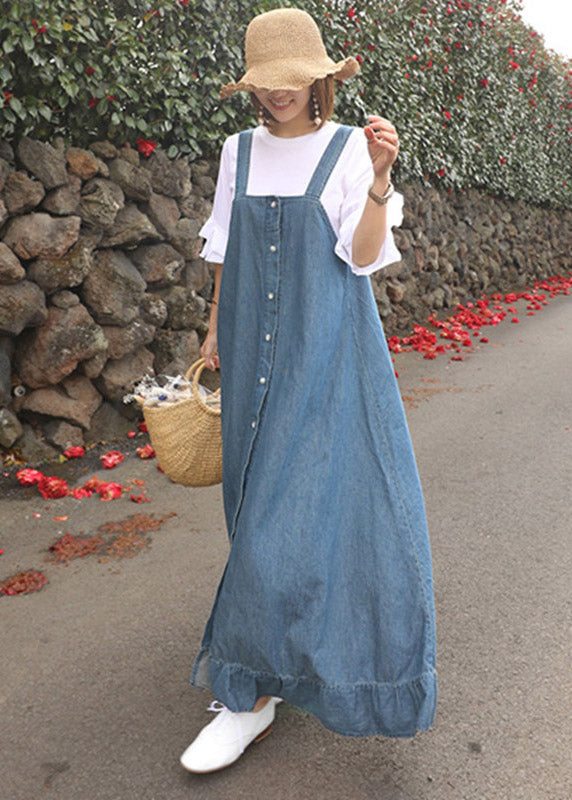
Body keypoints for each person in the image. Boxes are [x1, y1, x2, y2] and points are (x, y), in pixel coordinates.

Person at [180, 7, 437, 774]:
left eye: (294, 80)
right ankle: (268, 664)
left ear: (319, 78)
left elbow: (360, 259)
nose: (280, 95)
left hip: (328, 351)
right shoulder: (237, 152)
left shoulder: (349, 149)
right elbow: (224, 248)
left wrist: (381, 182)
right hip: (251, 354)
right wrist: (216, 325)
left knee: (301, 515)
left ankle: (247, 694)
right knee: (254, 511)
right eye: (267, 83)